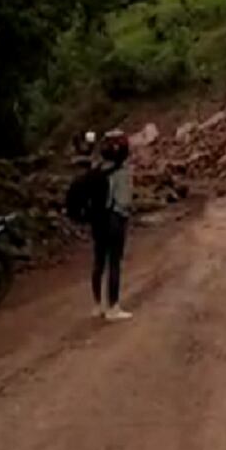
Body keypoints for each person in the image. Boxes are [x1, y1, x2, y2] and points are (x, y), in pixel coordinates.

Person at [93, 130, 134, 322]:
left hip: (98, 219)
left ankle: (97, 305)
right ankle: (113, 307)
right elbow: (124, 201)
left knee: (99, 262)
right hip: (115, 218)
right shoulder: (122, 171)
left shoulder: (98, 168)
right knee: (114, 263)